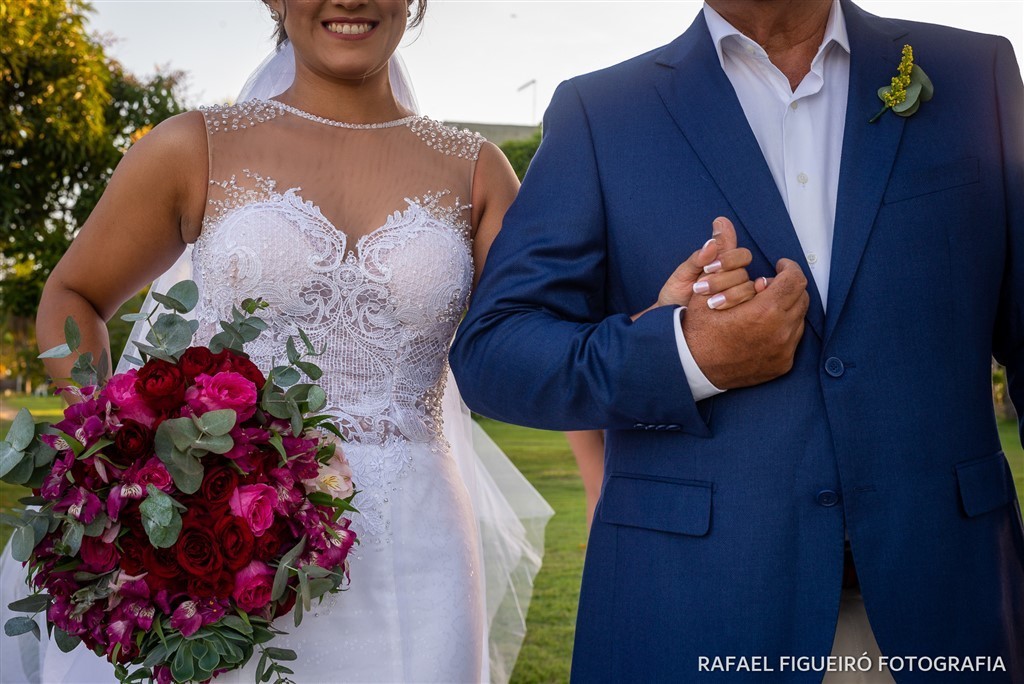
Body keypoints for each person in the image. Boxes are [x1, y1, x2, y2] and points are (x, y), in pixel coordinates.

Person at [451, 0, 1024, 681]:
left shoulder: (974, 75)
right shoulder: (601, 113)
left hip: (956, 605)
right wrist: (687, 355)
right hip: (693, 613)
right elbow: (495, 352)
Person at [0, 1, 555, 681]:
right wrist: (116, 450)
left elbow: (536, 340)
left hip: (417, 551)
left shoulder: (478, 171)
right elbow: (73, 296)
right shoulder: (194, 147)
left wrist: (655, 320)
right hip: (221, 537)